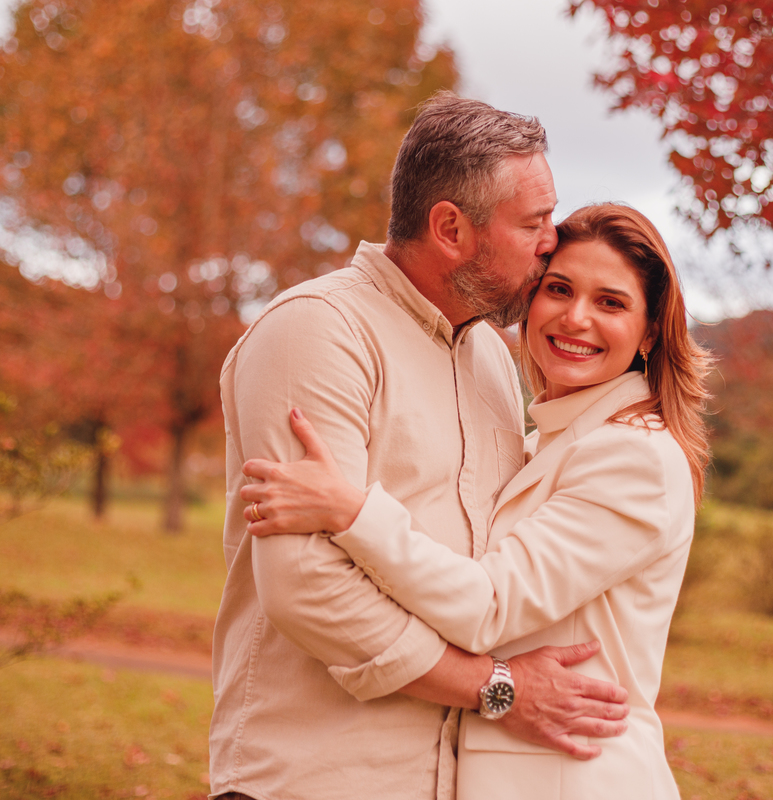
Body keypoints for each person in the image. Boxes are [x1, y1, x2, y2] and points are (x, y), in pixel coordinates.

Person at [209, 95, 633, 800]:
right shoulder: (318, 333)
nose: (550, 242)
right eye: (532, 222)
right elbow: (306, 588)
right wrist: (498, 690)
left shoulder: (495, 360)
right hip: (313, 780)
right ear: (450, 228)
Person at [243, 203, 713, 800]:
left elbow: (488, 605)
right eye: (559, 289)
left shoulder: (634, 457)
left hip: (575, 776)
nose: (576, 318)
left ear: (650, 331)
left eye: (611, 303)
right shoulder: (555, 440)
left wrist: (352, 511)